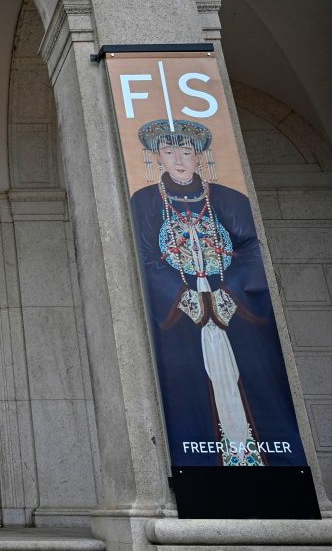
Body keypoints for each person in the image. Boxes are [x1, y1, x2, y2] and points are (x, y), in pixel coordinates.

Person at [130, 120, 305, 468]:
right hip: (181, 312)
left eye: (186, 152)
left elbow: (251, 249)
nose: (178, 160)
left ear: (199, 157)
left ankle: (268, 464)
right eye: (168, 152)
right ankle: (204, 468)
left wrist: (228, 295)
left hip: (233, 307)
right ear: (157, 158)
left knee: (252, 380)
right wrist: (186, 297)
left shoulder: (229, 199)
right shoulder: (145, 202)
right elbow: (146, 256)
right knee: (191, 387)